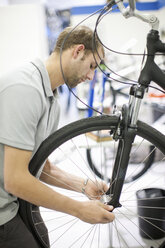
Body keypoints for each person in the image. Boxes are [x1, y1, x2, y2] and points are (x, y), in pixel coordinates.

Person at [0, 25, 115, 248]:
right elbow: (15, 179)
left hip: (14, 201)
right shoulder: (25, 88)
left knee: (41, 238)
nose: (91, 76)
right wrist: (79, 209)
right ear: (78, 51)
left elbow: (42, 167)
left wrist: (83, 185)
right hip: (3, 207)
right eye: (92, 66)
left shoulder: (51, 97)